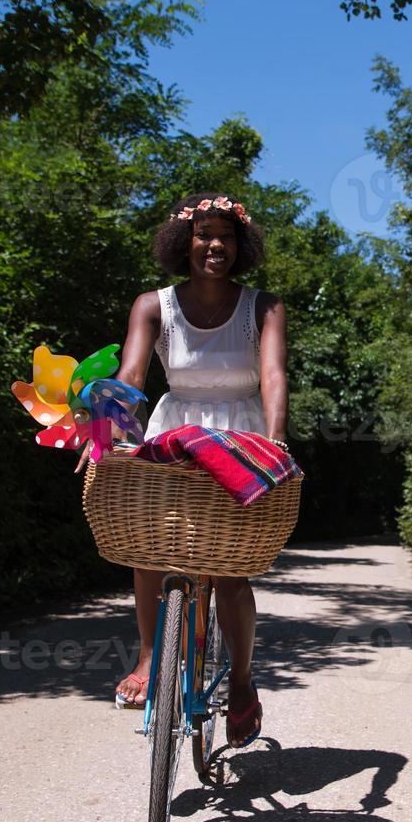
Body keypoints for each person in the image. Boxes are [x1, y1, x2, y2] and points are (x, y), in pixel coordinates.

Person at [111, 193, 288, 748]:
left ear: (242, 247)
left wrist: (276, 443)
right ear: (182, 243)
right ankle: (147, 657)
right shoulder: (151, 306)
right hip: (174, 431)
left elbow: (273, 376)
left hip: (241, 436)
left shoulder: (263, 307)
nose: (216, 245)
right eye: (204, 234)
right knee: (148, 549)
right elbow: (132, 375)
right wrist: (110, 433)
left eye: (227, 237)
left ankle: (239, 681)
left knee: (232, 571)